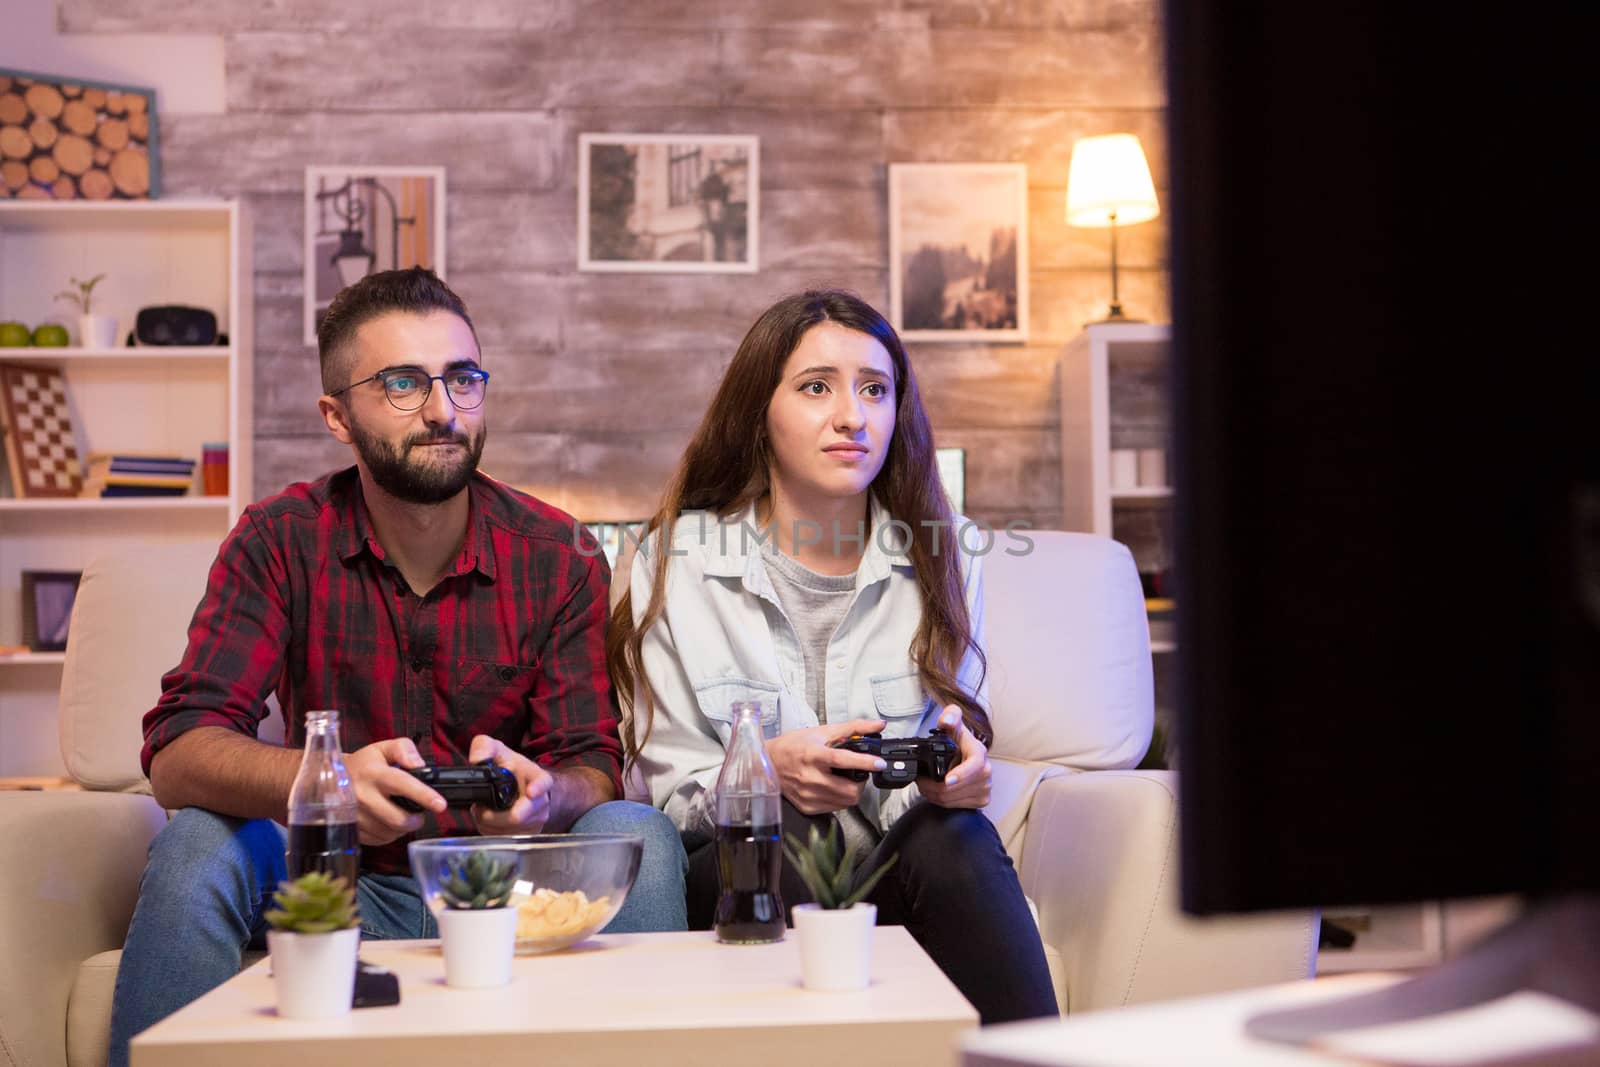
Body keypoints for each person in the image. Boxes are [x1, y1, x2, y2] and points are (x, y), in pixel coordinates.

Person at [109, 268, 687, 1067]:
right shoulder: (279, 540)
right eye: (405, 383)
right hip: (326, 885)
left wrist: (547, 793)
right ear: (337, 416)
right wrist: (328, 786)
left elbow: (593, 760)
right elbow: (178, 750)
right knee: (195, 844)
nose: (444, 410)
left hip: (507, 895)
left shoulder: (558, 554)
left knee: (639, 831)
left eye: (462, 378)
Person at [607, 289, 1057, 1024]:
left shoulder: (946, 552)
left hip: (895, 868)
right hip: (746, 870)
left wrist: (956, 777)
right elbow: (660, 793)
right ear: (760, 412)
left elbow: (951, 735)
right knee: (787, 825)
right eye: (817, 387)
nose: (853, 415)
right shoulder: (672, 564)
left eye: (874, 390)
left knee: (955, 835)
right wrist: (761, 774)